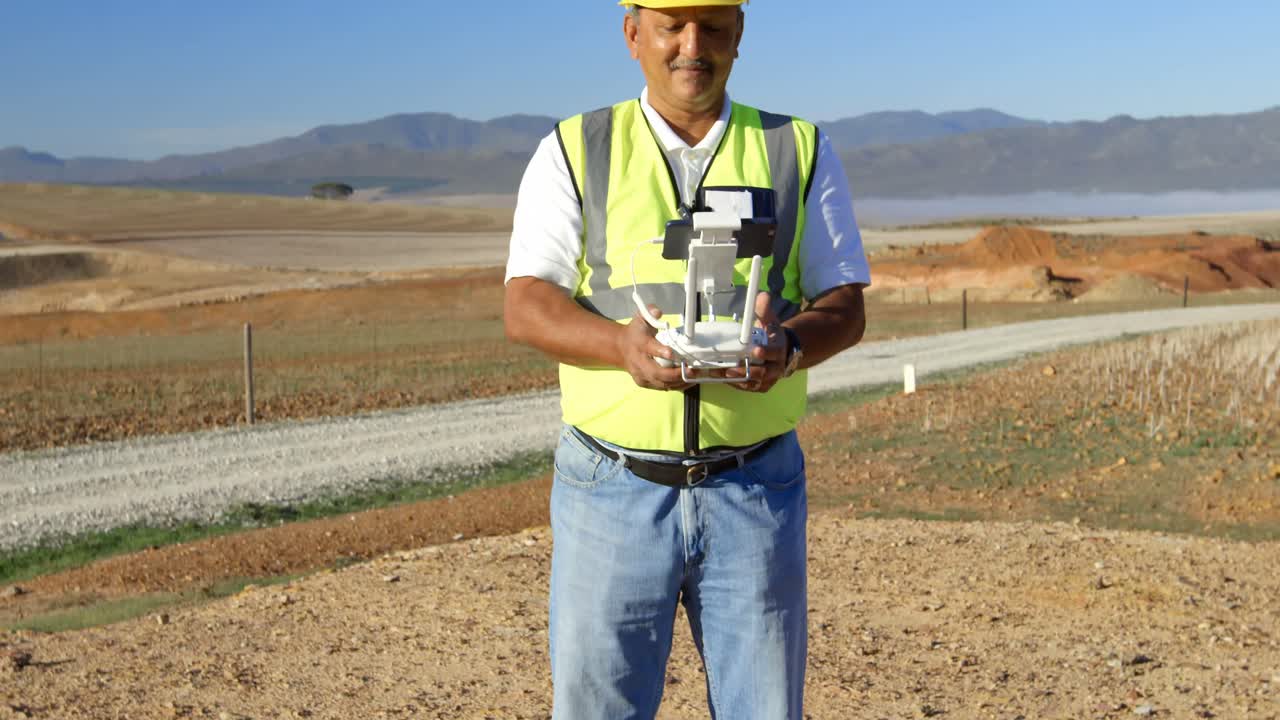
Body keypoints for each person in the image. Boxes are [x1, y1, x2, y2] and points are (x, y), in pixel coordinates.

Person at [504, 1, 870, 717]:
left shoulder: (799, 147)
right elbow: (526, 304)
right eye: (672, 24)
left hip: (755, 489)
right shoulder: (576, 148)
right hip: (610, 488)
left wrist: (788, 349)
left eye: (712, 23)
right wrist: (620, 348)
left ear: (740, 33)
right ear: (633, 33)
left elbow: (845, 306)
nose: (691, 45)